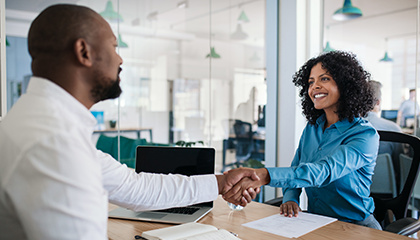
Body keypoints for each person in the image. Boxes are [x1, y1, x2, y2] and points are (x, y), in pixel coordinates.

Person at [0, 5, 259, 239]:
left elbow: (134, 187)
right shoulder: (55, 144)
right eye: (113, 46)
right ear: (83, 52)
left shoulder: (34, 122)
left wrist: (221, 182)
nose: (120, 59)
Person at [223, 51, 382, 229]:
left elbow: (322, 172)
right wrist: (291, 198)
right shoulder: (313, 128)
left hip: (356, 227)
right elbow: (297, 168)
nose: (315, 87)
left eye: (325, 79)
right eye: (311, 82)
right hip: (317, 222)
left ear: (346, 84)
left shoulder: (364, 136)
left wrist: (263, 175)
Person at [365, 81, 403, 188]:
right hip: (388, 192)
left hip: (354, 193)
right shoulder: (394, 129)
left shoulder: (347, 128)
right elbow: (400, 166)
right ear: (378, 102)